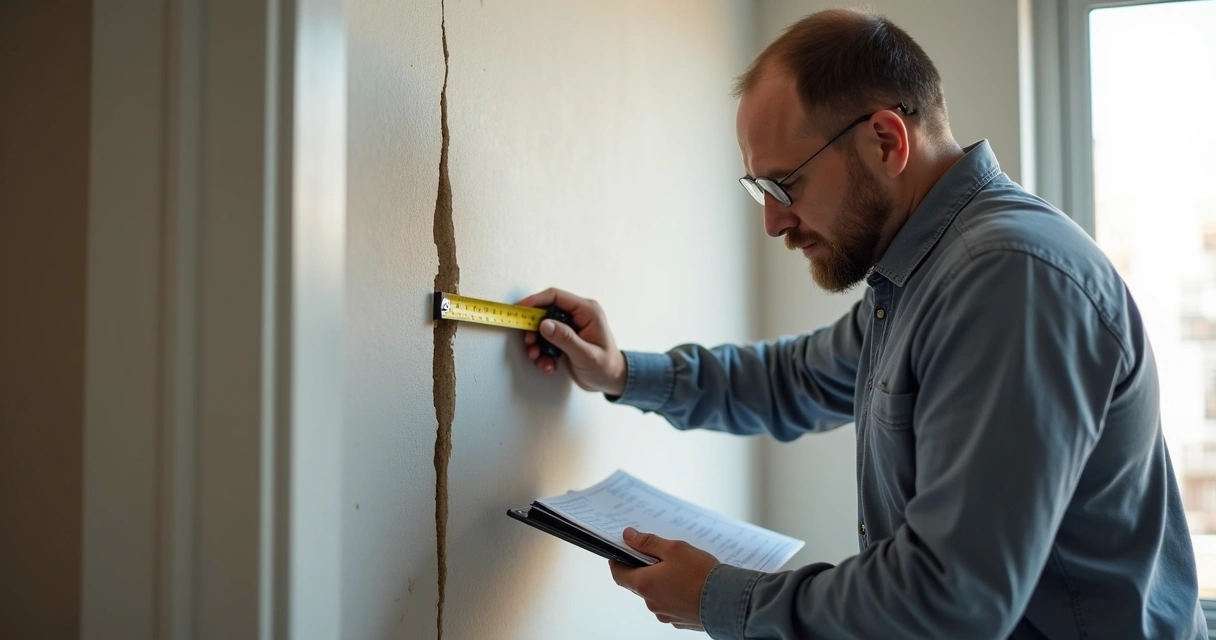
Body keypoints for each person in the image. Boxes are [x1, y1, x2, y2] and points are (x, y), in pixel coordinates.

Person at [517, 7, 1204, 640]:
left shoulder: (1006, 279)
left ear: (884, 141)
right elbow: (795, 378)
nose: (773, 222)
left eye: (785, 185)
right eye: (760, 189)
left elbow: (949, 601)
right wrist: (620, 371)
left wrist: (724, 599)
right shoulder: (925, 274)